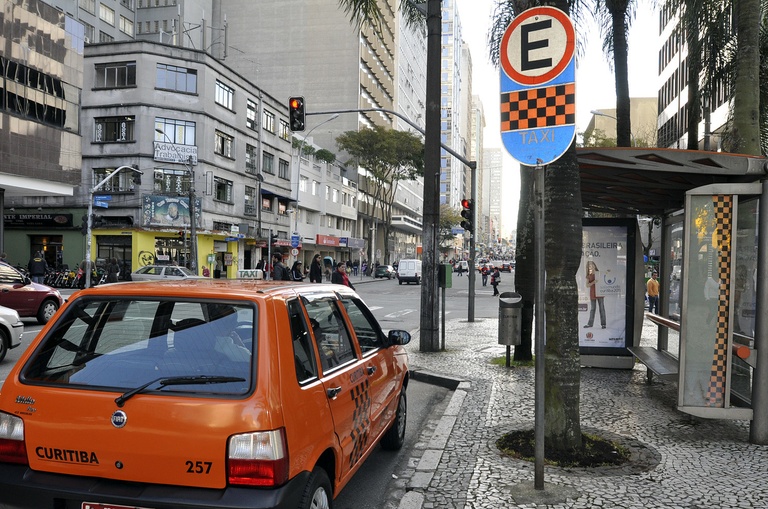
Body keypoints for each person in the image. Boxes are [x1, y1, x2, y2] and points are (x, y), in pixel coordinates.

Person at [584, 260, 606, 329]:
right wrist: (593, 282)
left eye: (592, 264)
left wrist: (607, 272)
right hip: (593, 293)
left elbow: (604, 278)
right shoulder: (588, 275)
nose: (591, 266)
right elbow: (587, 285)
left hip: (599, 292)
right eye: (590, 265)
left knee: (602, 308)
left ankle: (603, 324)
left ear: (594, 265)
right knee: (593, 309)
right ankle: (590, 324)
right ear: (588, 267)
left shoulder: (598, 273)